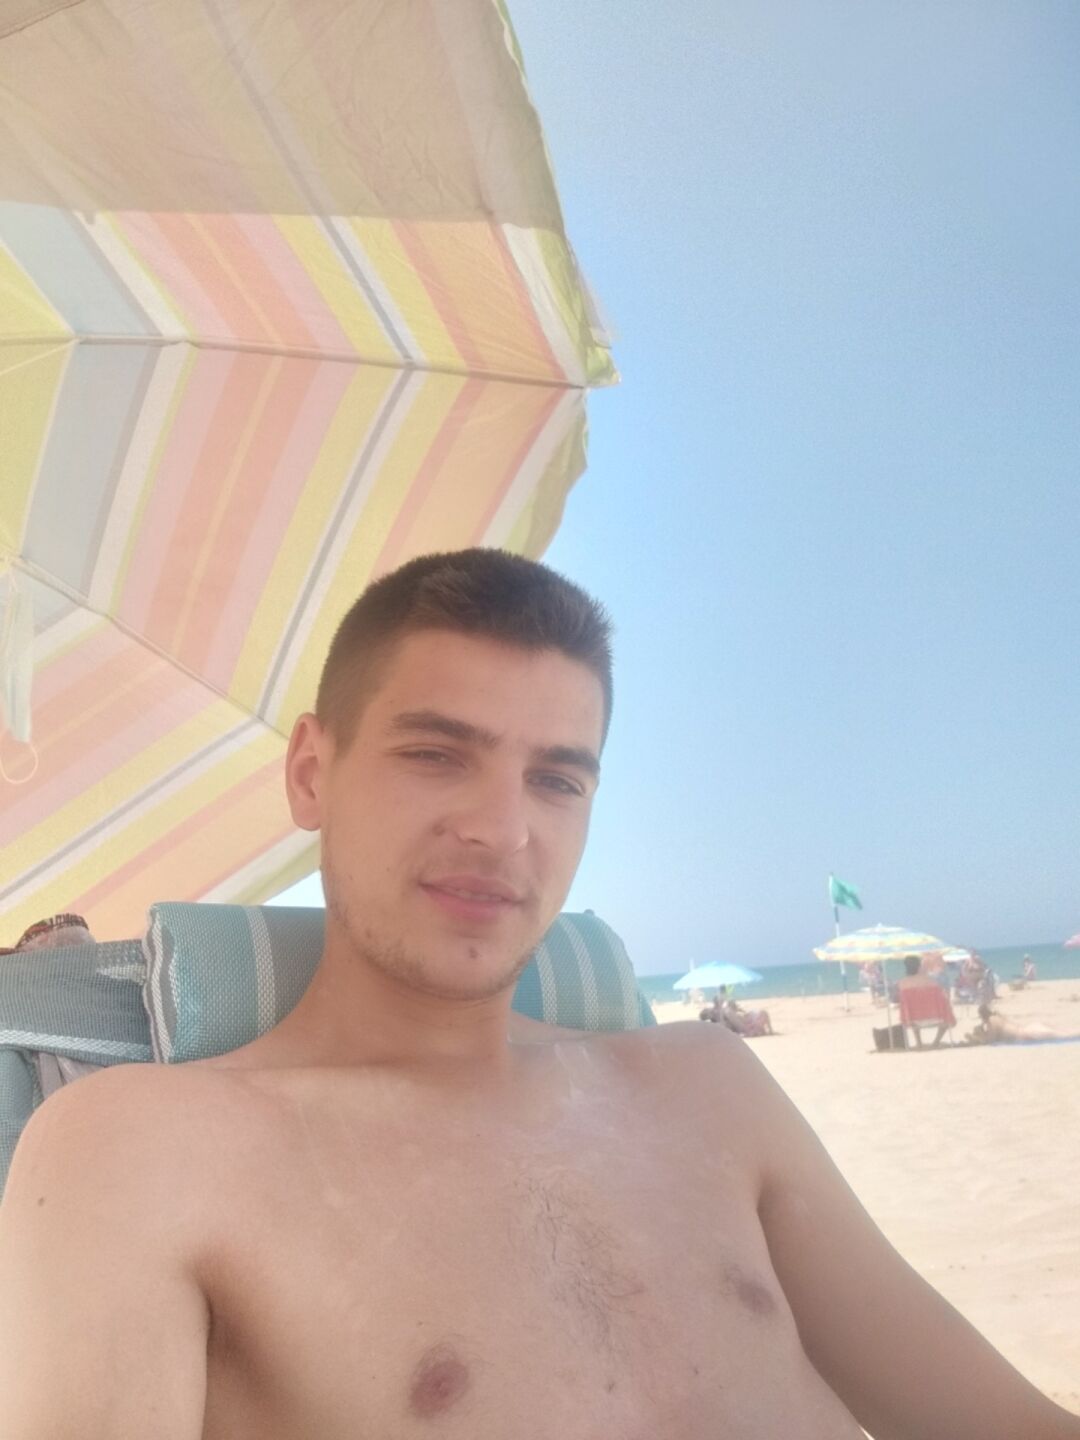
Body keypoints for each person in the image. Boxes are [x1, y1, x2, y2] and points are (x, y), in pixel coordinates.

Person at [1, 549, 1078, 1439]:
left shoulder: (707, 1086)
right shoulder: (142, 1153)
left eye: (557, 779)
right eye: (436, 754)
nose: (504, 830)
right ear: (312, 774)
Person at [966, 1003, 1075, 1046]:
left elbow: (991, 1040)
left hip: (1027, 1034)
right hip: (1029, 1028)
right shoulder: (998, 1017)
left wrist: (979, 1035)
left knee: (1065, 1035)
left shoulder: (991, 1021)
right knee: (1065, 1032)